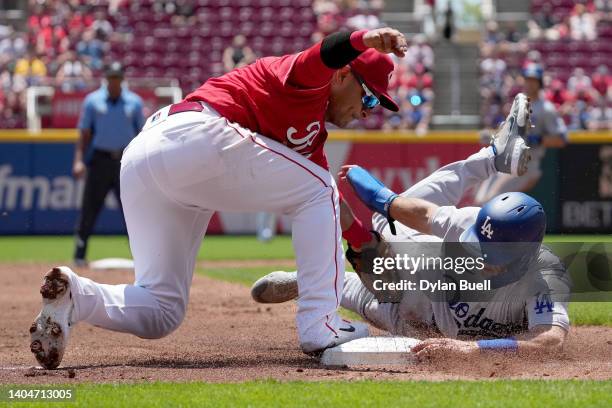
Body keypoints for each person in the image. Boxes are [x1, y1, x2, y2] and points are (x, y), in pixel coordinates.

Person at [30, 28, 409, 369]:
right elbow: (324, 53)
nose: (366, 111)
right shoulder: (309, 80)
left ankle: (75, 294)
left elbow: (324, 202)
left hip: (146, 159)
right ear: (343, 74)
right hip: (195, 132)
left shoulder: (311, 140)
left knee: (162, 311)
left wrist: (361, 241)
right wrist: (363, 40)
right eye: (371, 99)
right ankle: (320, 324)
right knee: (319, 189)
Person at [252, 95, 569, 357]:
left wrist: (474, 349)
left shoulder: (545, 276)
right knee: (391, 236)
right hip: (421, 289)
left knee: (365, 293)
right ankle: (491, 159)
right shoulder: (468, 223)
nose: (481, 257)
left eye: (492, 255)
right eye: (479, 247)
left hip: (417, 328)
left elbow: (550, 340)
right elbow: (424, 214)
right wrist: (384, 200)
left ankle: (308, 281)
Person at [72, 62, 145, 267]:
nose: (114, 81)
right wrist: (78, 161)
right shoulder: (93, 101)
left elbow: (143, 135)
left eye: (117, 77)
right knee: (89, 209)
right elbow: (84, 134)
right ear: (106, 78)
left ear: (122, 79)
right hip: (100, 160)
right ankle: (79, 254)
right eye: (110, 77)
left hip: (126, 162)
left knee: (134, 211)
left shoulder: (134, 103)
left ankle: (143, 258)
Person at [475, 63, 567, 205]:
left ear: (540, 82)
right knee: (479, 200)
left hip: (526, 165)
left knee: (491, 200)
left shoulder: (546, 108)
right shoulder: (518, 104)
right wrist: (495, 136)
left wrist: (536, 139)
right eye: (527, 79)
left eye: (533, 80)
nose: (529, 83)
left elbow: (561, 139)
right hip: (506, 161)